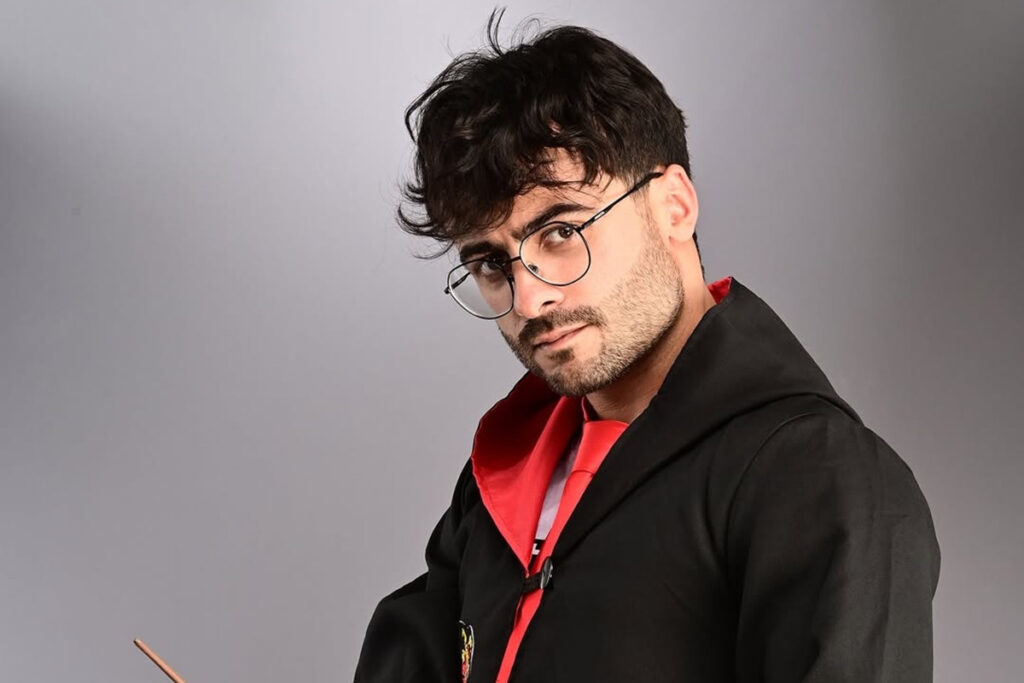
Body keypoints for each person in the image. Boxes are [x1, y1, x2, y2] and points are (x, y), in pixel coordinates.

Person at [355, 12, 940, 683]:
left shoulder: (817, 477)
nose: (529, 299)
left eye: (560, 232)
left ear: (674, 207)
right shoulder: (498, 482)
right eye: (492, 263)